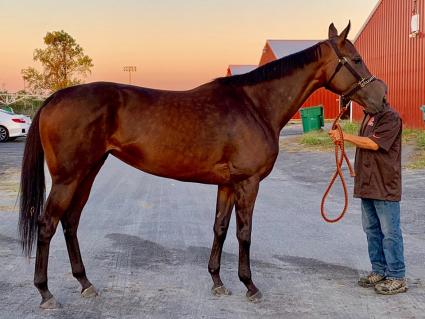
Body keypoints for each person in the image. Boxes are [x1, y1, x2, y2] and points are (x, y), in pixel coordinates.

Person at [329, 101, 407, 295]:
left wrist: (344, 136)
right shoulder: (368, 115)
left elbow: (374, 143)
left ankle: (397, 276)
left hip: (384, 185)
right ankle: (379, 270)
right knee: (371, 230)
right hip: (367, 185)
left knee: (390, 232)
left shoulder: (390, 117)